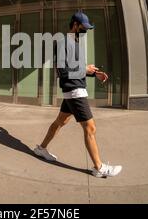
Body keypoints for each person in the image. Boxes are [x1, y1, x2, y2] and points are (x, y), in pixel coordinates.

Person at [33, 10, 122, 178]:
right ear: (75, 25)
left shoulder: (76, 44)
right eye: (84, 28)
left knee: (60, 122)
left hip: (75, 89)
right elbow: (62, 72)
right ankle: (99, 167)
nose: (86, 31)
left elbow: (76, 69)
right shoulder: (62, 42)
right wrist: (84, 69)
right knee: (90, 128)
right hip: (74, 90)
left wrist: (94, 73)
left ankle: (41, 149)